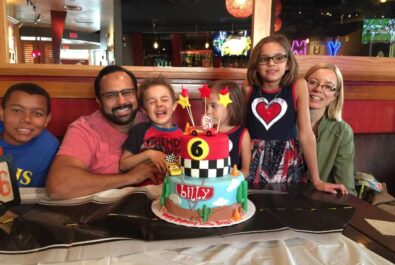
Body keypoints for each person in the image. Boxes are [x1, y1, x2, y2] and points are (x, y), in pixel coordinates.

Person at [243, 34, 348, 195]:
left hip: (287, 163)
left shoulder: (298, 86)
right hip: (252, 162)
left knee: (289, 210)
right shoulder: (248, 88)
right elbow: (241, 130)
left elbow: (306, 133)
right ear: (256, 65)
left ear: (288, 63)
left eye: (278, 58)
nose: (271, 63)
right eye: (264, 59)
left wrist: (317, 180)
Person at [46, 65, 156, 200]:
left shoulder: (153, 121)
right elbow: (58, 187)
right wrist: (130, 177)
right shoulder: (84, 129)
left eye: (127, 92)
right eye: (111, 95)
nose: (121, 101)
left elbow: (174, 157)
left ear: (136, 94)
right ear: (99, 101)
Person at [305, 63, 356, 195]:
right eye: (312, 82)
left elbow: (346, 188)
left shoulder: (342, 131)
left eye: (328, 86)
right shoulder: (282, 122)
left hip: (322, 204)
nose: (318, 89)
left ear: (335, 95)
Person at [120, 76, 182, 176]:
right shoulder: (140, 130)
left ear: (174, 105)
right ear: (144, 111)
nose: (159, 104)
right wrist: (149, 154)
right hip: (144, 187)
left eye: (164, 99)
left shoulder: (182, 135)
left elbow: (175, 163)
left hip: (171, 186)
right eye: (152, 102)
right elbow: (123, 165)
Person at [0, 83, 59, 187]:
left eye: (37, 113)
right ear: (2, 112)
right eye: (17, 110)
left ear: (47, 119)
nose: (26, 119)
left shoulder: (49, 147)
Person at [206, 80, 251, 177]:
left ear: (231, 107)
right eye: (206, 106)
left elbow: (246, 170)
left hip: (231, 187)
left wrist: (229, 180)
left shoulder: (242, 135)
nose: (208, 112)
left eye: (213, 106)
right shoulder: (205, 132)